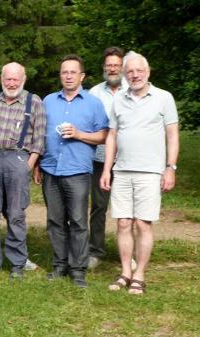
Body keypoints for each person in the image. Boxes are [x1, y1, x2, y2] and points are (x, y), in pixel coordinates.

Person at [101, 51, 179, 295]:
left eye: (139, 71)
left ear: (148, 72)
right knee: (123, 222)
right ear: (125, 75)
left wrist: (171, 167)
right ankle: (125, 272)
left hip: (150, 172)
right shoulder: (119, 100)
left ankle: (140, 275)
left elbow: (172, 134)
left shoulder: (164, 98)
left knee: (143, 224)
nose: (134, 75)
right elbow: (112, 136)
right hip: (122, 171)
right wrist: (107, 169)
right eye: (130, 72)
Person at [37, 55, 108, 288]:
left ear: (82, 76)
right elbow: (40, 134)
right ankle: (60, 265)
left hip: (77, 170)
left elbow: (104, 135)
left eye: (73, 72)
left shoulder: (93, 103)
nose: (68, 76)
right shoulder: (48, 101)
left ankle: (78, 269)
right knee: (55, 220)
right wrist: (38, 163)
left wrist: (79, 134)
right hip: (50, 168)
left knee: (77, 221)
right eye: (64, 72)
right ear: (60, 75)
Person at [0, 63, 46, 279]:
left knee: (16, 215)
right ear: (2, 79)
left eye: (15, 79)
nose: (11, 83)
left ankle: (17, 263)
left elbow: (39, 138)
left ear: (23, 79)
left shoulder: (33, 101)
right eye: (8, 79)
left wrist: (28, 164)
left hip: (19, 157)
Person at [87, 47, 129, 270]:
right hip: (100, 159)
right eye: (109, 65)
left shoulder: (133, 89)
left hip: (128, 159)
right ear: (104, 67)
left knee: (128, 209)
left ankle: (128, 252)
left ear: (122, 67)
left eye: (116, 65)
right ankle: (96, 251)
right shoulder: (94, 92)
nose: (112, 69)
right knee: (99, 207)